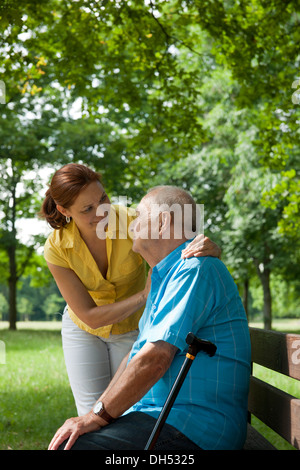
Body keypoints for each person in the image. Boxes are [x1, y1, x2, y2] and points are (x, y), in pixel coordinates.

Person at [48, 185, 251, 451]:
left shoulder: (194, 268)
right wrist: (96, 414)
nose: (132, 223)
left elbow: (154, 359)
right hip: (162, 417)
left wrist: (95, 417)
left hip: (194, 426)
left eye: (140, 216)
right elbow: (137, 352)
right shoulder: (163, 278)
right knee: (73, 442)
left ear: (163, 222)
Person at [40, 164, 221, 416]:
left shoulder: (132, 221)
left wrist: (207, 246)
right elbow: (89, 316)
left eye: (102, 198)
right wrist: (144, 296)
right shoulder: (56, 248)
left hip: (131, 327)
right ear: (64, 210)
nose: (102, 211)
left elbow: (178, 244)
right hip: (83, 329)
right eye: (87, 209)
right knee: (89, 413)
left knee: (126, 408)